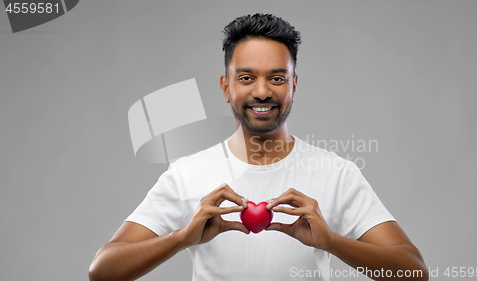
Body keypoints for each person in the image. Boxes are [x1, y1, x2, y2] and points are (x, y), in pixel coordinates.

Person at [89, 13, 428, 281]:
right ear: (226, 87)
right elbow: (103, 270)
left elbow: (414, 271)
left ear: (294, 85)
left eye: (277, 78)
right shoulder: (187, 174)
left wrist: (333, 243)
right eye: (247, 77)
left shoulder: (336, 174)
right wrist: (181, 238)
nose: (262, 92)